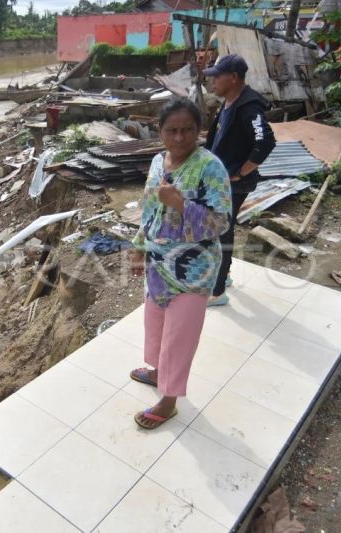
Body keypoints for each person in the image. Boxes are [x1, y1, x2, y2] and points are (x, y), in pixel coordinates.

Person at [127, 97, 232, 429]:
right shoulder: (158, 162)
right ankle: (158, 372)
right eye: (171, 130)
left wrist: (181, 204)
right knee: (156, 323)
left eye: (188, 130)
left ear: (199, 130)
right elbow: (148, 208)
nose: (180, 137)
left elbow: (221, 221)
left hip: (193, 270)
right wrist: (138, 248)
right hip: (158, 263)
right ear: (159, 131)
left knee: (179, 336)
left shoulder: (210, 167)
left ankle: (169, 400)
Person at [204, 54, 276, 306]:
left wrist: (241, 173)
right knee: (221, 229)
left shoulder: (249, 107)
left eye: (217, 76)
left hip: (234, 183)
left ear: (233, 77)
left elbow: (265, 141)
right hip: (221, 180)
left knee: (221, 231)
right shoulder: (229, 102)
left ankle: (217, 291)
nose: (212, 81)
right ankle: (224, 276)